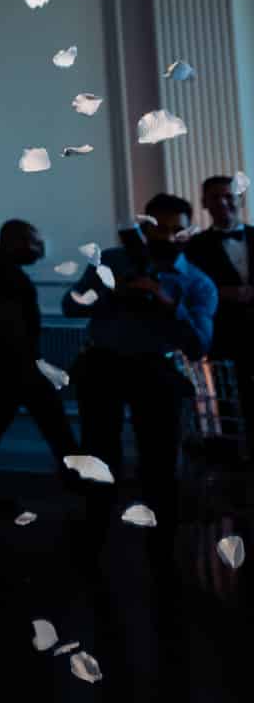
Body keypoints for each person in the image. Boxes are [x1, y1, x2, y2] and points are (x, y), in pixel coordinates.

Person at [63, 194, 218, 569]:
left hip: (156, 371)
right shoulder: (112, 261)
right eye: (156, 227)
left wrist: (166, 302)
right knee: (99, 452)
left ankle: (161, 543)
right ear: (142, 226)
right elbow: (71, 305)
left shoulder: (197, 282)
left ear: (187, 232)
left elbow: (198, 345)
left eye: (174, 229)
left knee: (160, 458)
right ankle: (94, 533)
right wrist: (108, 294)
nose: (165, 235)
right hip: (104, 365)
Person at [0, 219, 77, 509]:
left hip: (11, 366)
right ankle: (79, 483)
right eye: (32, 242)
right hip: (7, 367)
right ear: (14, 241)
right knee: (46, 426)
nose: (38, 249)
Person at [186, 174, 252, 417]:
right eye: (215, 197)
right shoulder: (194, 246)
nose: (223, 202)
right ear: (204, 203)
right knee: (229, 406)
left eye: (229, 196)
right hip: (222, 337)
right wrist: (220, 293)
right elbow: (189, 290)